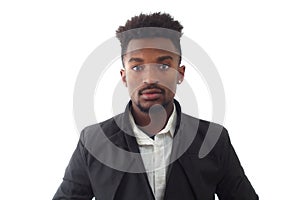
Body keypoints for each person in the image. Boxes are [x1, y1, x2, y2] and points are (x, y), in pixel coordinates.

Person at [53, 12, 259, 200]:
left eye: (163, 65)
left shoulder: (212, 139)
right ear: (124, 77)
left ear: (180, 73)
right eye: (137, 67)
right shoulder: (94, 141)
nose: (150, 78)